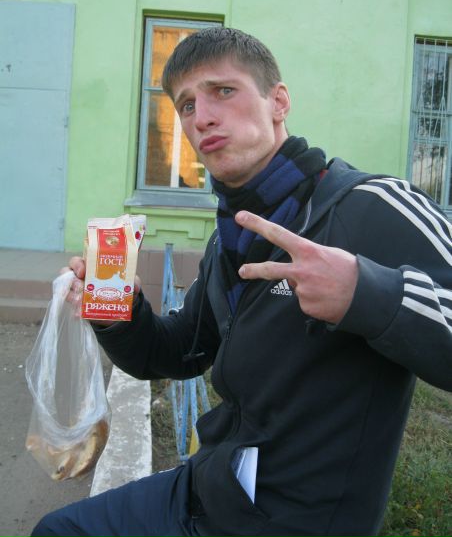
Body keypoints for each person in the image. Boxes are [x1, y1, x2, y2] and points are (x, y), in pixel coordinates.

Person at [31, 27, 452, 537]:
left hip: (293, 524)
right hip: (207, 491)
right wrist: (116, 309)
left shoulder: (370, 207)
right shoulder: (230, 239)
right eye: (186, 105)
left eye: (223, 91)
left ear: (279, 102)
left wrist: (365, 293)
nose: (202, 117)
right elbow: (178, 351)